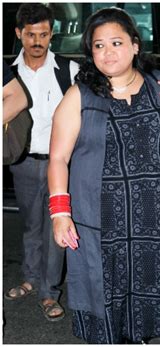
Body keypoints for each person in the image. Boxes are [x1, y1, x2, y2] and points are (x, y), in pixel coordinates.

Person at [48, 7, 160, 344]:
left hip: (155, 222)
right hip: (100, 224)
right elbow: (58, 158)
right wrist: (60, 213)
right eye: (99, 46)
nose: (108, 52)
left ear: (135, 45)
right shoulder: (80, 95)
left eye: (116, 42)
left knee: (149, 303)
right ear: (90, 53)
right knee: (106, 301)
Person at [4, 3, 79, 323]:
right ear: (19, 34)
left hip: (58, 164)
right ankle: (31, 279)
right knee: (32, 226)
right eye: (31, 34)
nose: (37, 41)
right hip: (22, 162)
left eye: (44, 34)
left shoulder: (69, 70)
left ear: (52, 34)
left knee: (55, 231)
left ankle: (50, 292)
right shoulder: (9, 73)